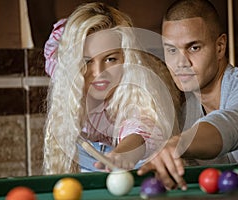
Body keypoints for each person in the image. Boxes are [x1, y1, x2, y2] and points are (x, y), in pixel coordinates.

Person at [137, 0, 238, 190]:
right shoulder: (185, 114)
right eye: (171, 50)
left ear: (220, 46)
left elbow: (232, 124)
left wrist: (179, 143)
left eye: (194, 47)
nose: (181, 62)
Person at [42, 2, 181, 174]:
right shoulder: (64, 71)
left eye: (111, 59)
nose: (99, 73)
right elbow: (55, 49)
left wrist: (123, 153)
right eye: (87, 61)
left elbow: (143, 127)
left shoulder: (135, 91)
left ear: (127, 59)